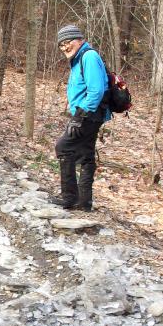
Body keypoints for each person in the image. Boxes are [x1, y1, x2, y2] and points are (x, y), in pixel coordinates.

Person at [53, 24, 110, 212]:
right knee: (86, 155)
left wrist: (80, 115)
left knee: (63, 147)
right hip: (88, 114)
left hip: (88, 114)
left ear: (79, 40)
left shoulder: (89, 57)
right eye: (61, 45)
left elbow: (97, 90)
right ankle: (84, 202)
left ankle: (69, 198)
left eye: (67, 42)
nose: (64, 47)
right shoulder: (78, 59)